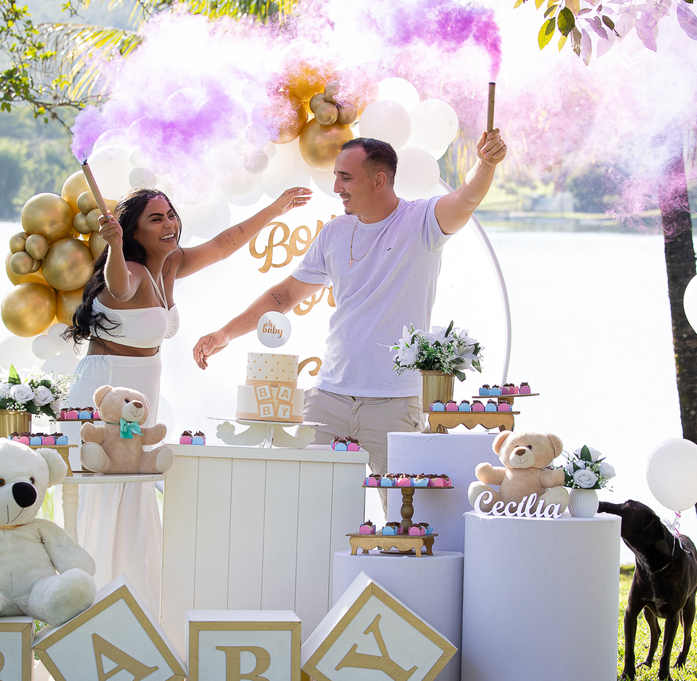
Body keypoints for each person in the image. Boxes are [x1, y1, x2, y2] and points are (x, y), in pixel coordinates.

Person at [192, 131, 507, 495]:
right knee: (304, 502)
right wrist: (225, 334)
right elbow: (285, 295)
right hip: (328, 398)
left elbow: (467, 197)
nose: (336, 187)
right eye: (336, 176)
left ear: (379, 180)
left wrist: (485, 163)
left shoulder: (422, 220)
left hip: (395, 403)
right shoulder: (334, 232)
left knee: (403, 510)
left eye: (346, 177)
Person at [63, 185, 312, 609]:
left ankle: (134, 604)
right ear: (133, 231)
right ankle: (86, 603)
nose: (169, 224)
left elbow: (224, 244)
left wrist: (276, 207)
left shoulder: (171, 263)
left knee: (133, 496)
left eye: (170, 215)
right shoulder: (130, 269)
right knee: (101, 496)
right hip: (104, 394)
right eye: (155, 219)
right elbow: (119, 289)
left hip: (141, 394)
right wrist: (115, 247)